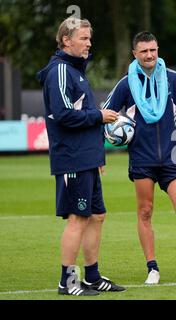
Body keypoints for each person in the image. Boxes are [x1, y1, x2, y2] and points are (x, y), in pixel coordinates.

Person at [103, 31, 176, 285]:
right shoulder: (125, 84)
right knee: (145, 212)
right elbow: (105, 114)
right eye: (144, 51)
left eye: (153, 50)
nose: (149, 55)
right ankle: (152, 269)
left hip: (171, 157)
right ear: (135, 54)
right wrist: (98, 153)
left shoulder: (172, 79)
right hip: (142, 157)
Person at [37, 17, 125, 296]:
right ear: (66, 40)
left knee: (96, 215)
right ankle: (68, 281)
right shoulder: (60, 71)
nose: (89, 43)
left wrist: (97, 155)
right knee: (78, 218)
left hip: (87, 157)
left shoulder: (76, 70)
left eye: (89, 38)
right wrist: (99, 116)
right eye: (84, 38)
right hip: (72, 158)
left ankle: (93, 276)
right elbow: (63, 115)